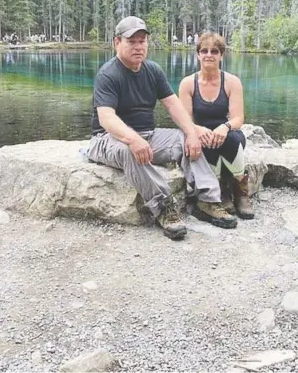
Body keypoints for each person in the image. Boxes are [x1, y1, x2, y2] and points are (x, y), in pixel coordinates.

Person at [88, 17, 237, 241]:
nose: (139, 46)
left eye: (142, 41)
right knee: (131, 150)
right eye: (132, 41)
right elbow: (106, 118)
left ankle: (207, 201)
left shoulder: (152, 70)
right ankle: (165, 208)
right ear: (117, 42)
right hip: (107, 138)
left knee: (184, 140)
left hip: (148, 135)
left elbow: (173, 105)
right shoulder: (108, 74)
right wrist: (132, 139)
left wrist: (190, 133)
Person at [179, 32, 254, 220]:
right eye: (204, 51)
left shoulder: (232, 82)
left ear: (221, 55)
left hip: (227, 132)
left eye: (214, 51)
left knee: (232, 139)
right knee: (205, 142)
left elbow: (238, 118)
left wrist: (225, 127)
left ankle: (240, 192)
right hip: (201, 133)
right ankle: (219, 190)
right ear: (198, 54)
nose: (209, 55)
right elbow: (184, 119)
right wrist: (197, 129)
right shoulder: (188, 83)